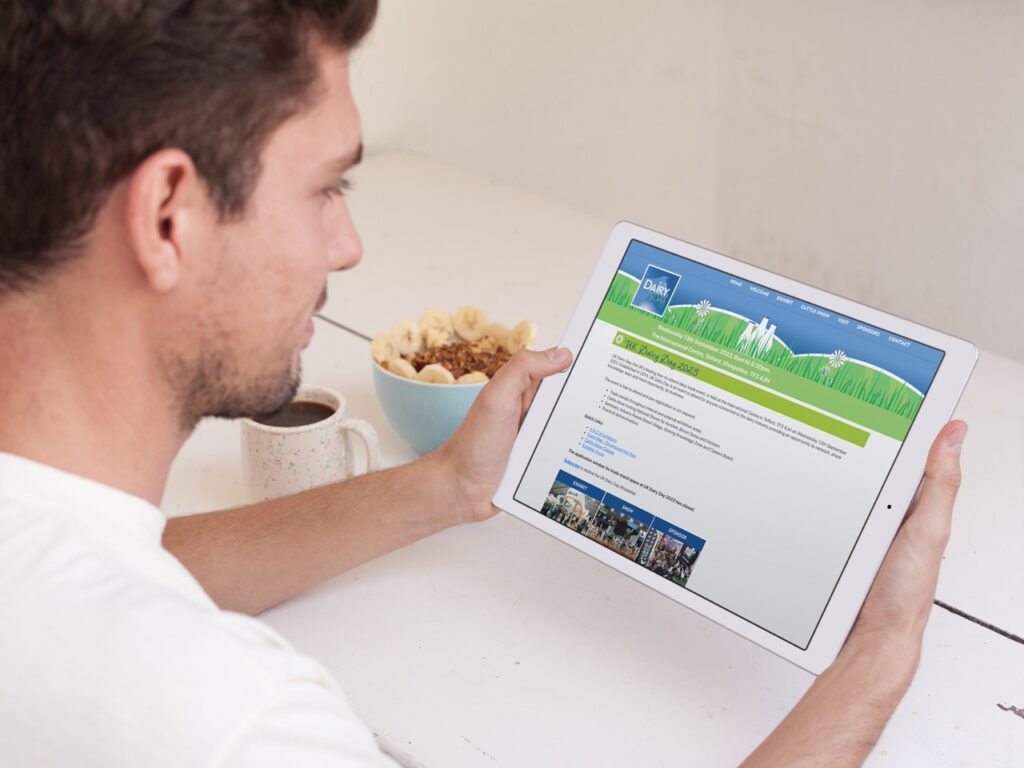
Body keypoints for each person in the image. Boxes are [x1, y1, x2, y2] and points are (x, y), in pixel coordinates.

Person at [0, 2, 967, 766]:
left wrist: (451, 486)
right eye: (326, 187)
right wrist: (879, 659)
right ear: (169, 215)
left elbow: (126, 565)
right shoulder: (228, 722)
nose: (348, 242)